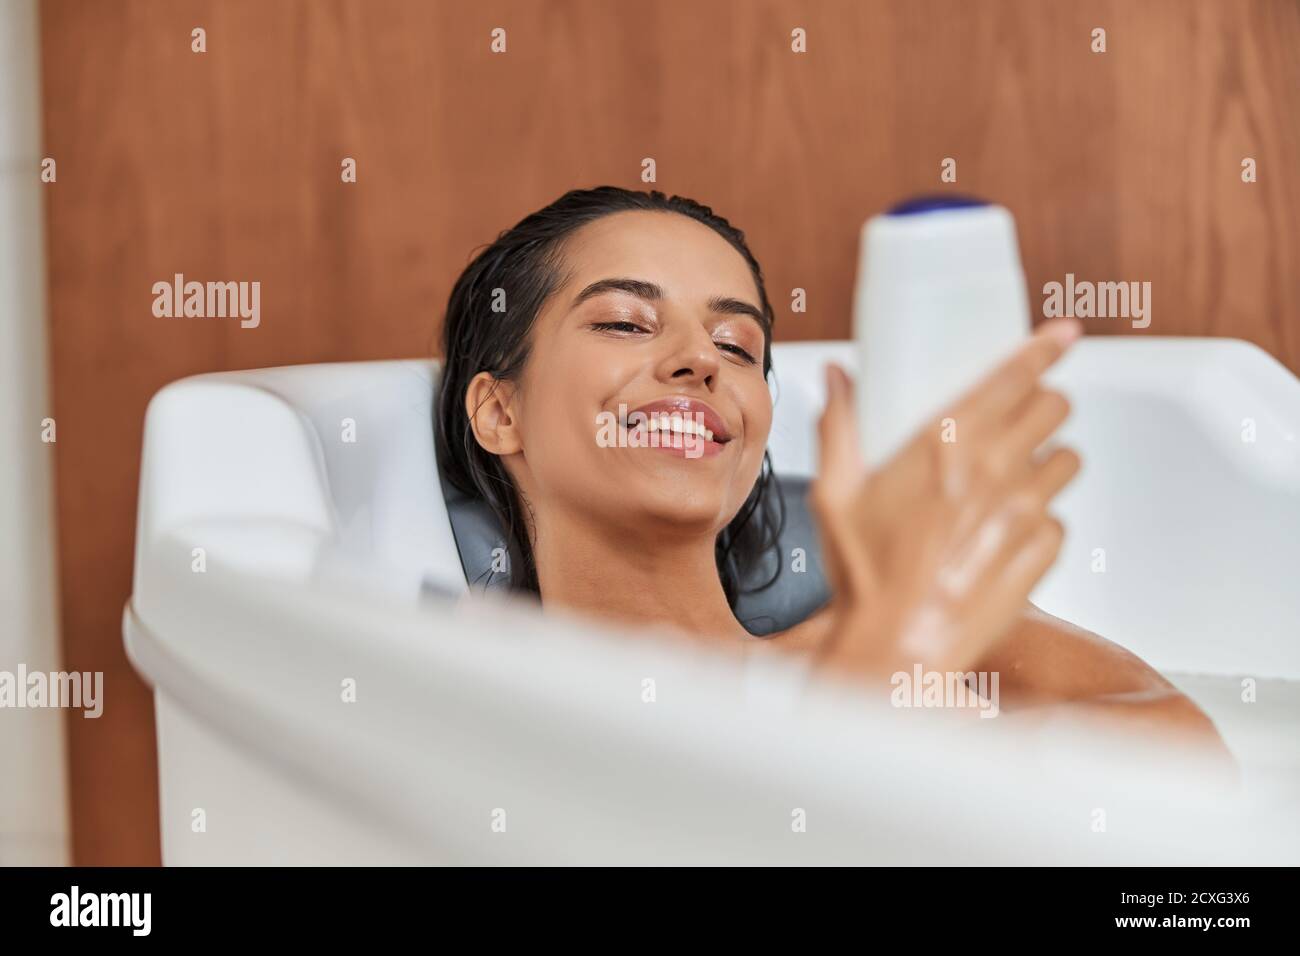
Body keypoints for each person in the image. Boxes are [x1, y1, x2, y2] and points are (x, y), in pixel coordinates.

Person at [434, 186, 1229, 759]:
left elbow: (1199, 785)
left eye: (738, 346)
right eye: (623, 322)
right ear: (500, 412)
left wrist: (901, 647)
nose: (699, 359)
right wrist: (882, 673)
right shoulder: (474, 709)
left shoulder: (925, 625)